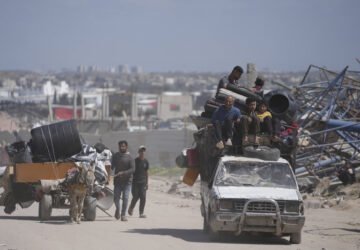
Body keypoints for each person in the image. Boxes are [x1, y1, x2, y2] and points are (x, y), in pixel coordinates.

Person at [111, 140, 135, 221]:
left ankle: (123, 215)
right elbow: (112, 166)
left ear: (126, 147)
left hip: (127, 182)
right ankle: (117, 209)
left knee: (125, 198)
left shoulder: (130, 157)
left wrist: (123, 173)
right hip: (117, 181)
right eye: (121, 146)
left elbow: (133, 169)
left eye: (123, 146)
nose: (122, 148)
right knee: (116, 198)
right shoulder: (116, 156)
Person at [128, 145, 149, 218]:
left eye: (144, 151)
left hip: (143, 182)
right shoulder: (135, 161)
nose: (142, 152)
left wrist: (147, 183)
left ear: (145, 152)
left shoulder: (146, 161)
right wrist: (130, 180)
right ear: (139, 152)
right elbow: (131, 171)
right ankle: (131, 207)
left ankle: (141, 213)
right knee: (136, 197)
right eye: (141, 151)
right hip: (135, 182)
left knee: (143, 197)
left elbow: (147, 172)